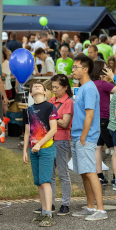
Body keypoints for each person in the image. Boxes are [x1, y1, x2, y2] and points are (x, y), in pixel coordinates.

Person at [70, 55, 108, 221]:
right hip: (78, 136)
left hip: (85, 137)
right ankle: (90, 206)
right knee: (84, 173)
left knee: (91, 172)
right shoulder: (83, 87)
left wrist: (84, 137)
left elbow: (90, 115)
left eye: (76, 67)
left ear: (85, 69)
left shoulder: (90, 88)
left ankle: (100, 209)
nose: (73, 70)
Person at [22, 82, 58, 227]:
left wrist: (39, 144)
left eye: (40, 85)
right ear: (31, 93)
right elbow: (26, 132)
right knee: (38, 182)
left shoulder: (50, 107)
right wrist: (25, 150)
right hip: (33, 150)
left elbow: (53, 129)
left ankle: (49, 214)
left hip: (46, 149)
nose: (36, 86)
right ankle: (43, 213)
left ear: (44, 92)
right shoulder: (28, 110)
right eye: (34, 86)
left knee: (45, 181)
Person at [49, 74, 74, 216]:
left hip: (61, 140)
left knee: (63, 173)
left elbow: (65, 123)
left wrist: (51, 117)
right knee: (50, 174)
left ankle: (65, 204)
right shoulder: (52, 100)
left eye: (57, 87)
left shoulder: (68, 102)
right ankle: (50, 203)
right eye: (52, 87)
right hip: (50, 139)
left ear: (65, 87)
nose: (54, 90)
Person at [91, 61, 116, 186]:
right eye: (106, 68)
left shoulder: (91, 84)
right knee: (115, 147)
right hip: (105, 118)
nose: (108, 70)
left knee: (98, 147)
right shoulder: (103, 84)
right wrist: (113, 77)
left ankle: (99, 175)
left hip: (95, 119)